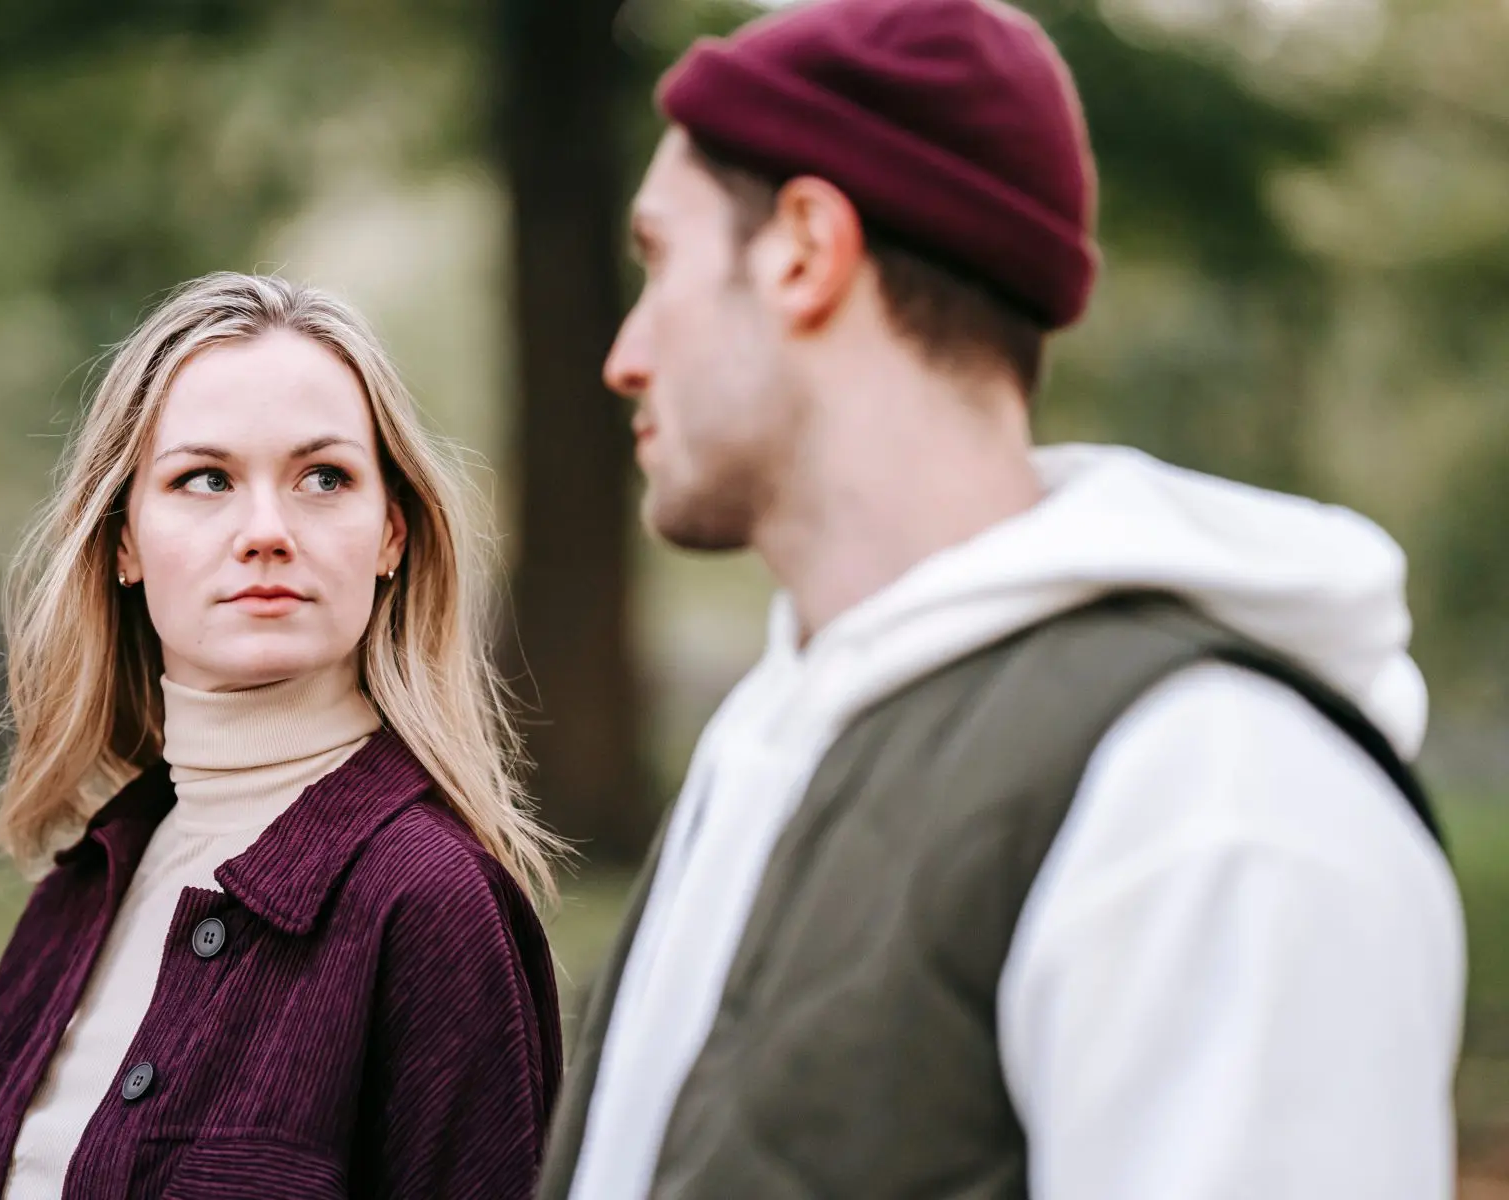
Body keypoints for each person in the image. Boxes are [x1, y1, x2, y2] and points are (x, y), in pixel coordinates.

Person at [538, 1, 1465, 1197]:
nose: (624, 353)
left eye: (659, 262)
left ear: (805, 250)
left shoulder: (1215, 798)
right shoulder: (771, 737)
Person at [0, 272, 563, 1199]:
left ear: (391, 536)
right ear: (125, 541)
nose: (266, 531)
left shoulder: (429, 903)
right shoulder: (84, 886)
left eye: (324, 478)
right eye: (204, 479)